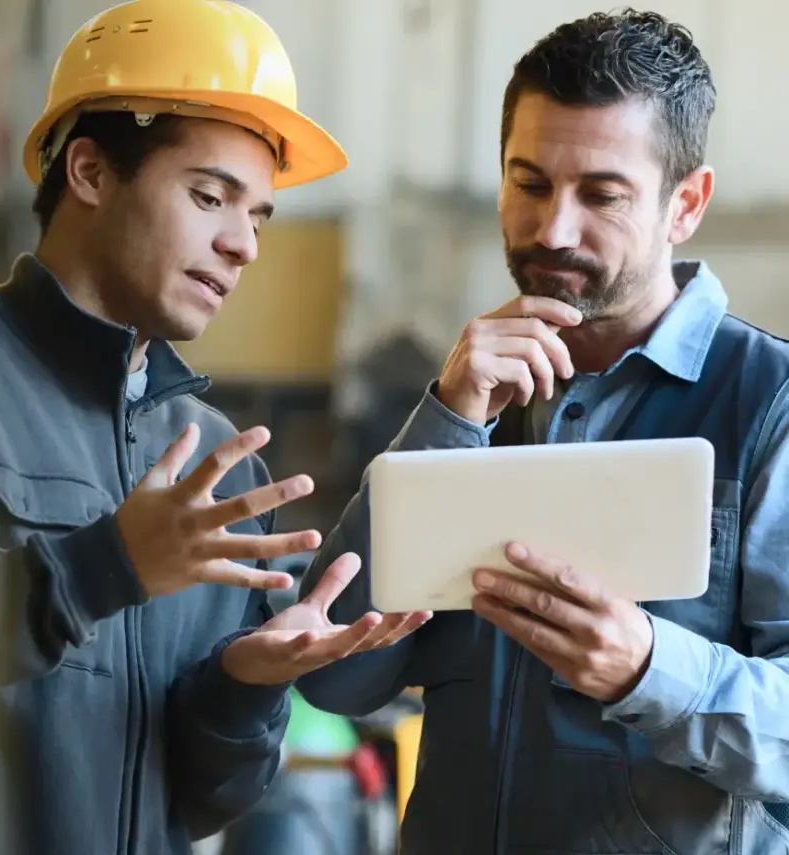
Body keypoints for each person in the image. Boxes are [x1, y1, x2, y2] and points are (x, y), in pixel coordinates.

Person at [0, 2, 430, 854]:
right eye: (210, 196)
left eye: (260, 216)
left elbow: (206, 800)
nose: (242, 245)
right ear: (89, 171)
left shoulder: (213, 459)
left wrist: (244, 685)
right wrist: (103, 567)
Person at [296, 9, 789, 854]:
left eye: (601, 195)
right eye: (529, 183)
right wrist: (448, 418)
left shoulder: (769, 403)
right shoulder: (472, 396)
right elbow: (337, 671)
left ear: (687, 205)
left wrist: (647, 668)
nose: (553, 230)